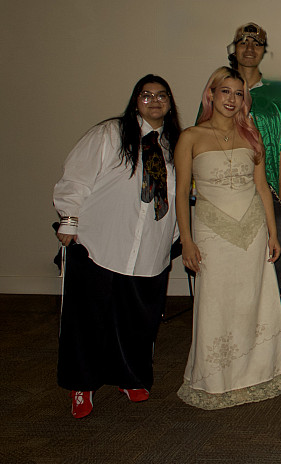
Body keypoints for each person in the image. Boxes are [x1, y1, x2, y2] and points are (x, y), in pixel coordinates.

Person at [53, 74, 181, 418]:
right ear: (135, 101)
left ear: (170, 103)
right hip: (101, 242)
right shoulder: (110, 133)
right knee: (88, 319)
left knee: (138, 319)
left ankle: (131, 376)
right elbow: (77, 176)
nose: (154, 101)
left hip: (150, 250)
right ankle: (82, 386)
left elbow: (181, 196)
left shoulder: (175, 143)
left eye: (162, 96)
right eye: (146, 95)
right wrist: (69, 219)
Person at [175, 67, 281, 409]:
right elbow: (182, 193)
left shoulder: (250, 135)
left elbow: (262, 189)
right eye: (225, 91)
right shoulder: (190, 137)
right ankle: (215, 380)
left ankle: (257, 374)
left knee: (253, 300)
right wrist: (186, 240)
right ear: (210, 94)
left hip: (252, 230)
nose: (231, 99)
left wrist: (272, 233)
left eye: (238, 94)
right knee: (215, 303)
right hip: (211, 233)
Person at [224, 22, 281, 292]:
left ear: (264, 51)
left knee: (272, 267)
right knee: (233, 266)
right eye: (243, 42)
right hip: (229, 193)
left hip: (270, 192)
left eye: (256, 43)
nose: (249, 48)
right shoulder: (220, 91)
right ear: (233, 49)